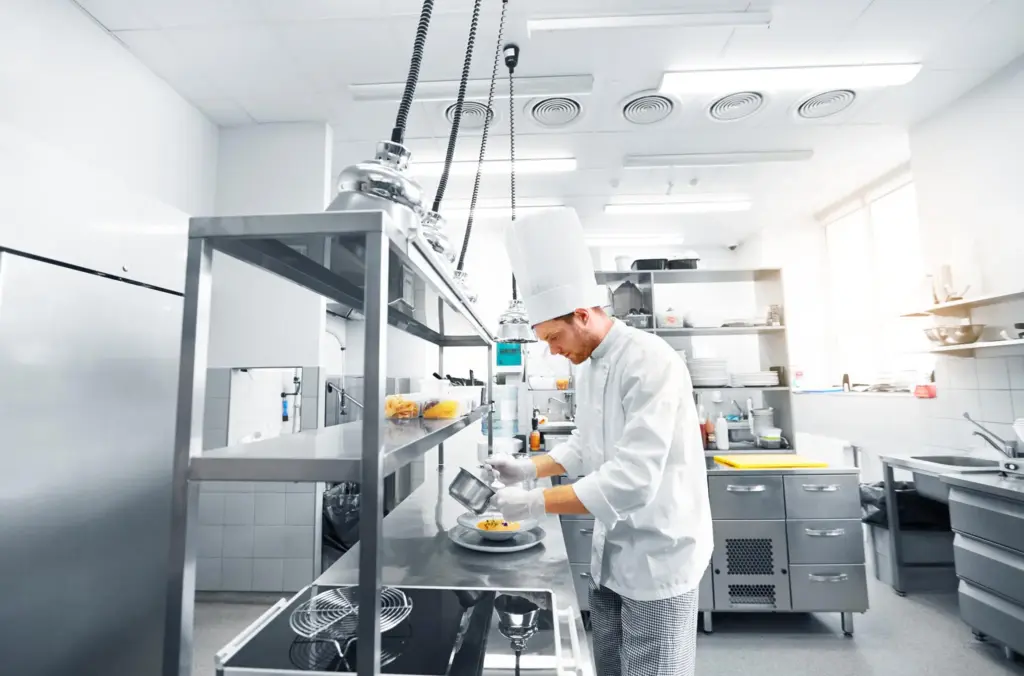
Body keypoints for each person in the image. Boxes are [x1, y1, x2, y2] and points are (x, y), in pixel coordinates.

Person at [487, 207, 713, 676]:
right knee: (609, 667)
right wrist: (528, 468)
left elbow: (632, 480)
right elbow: (585, 444)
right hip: (611, 552)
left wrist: (533, 503)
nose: (552, 350)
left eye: (554, 337)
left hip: (657, 557)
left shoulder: (650, 361)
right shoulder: (587, 365)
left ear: (583, 315)